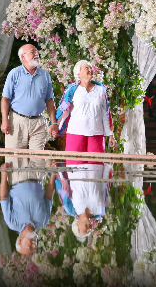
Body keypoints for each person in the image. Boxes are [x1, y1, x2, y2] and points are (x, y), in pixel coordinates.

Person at [54, 59, 116, 240]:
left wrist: (110, 134)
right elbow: (63, 109)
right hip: (75, 134)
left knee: (100, 167)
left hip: (96, 135)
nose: (89, 70)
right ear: (78, 73)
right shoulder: (71, 90)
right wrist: (55, 125)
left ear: (78, 225)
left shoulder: (101, 89)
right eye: (85, 68)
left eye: (90, 67)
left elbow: (106, 113)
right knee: (72, 167)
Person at [1, 44, 59, 149]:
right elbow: (5, 99)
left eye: (36, 51)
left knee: (38, 160)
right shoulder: (14, 73)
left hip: (38, 123)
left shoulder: (45, 75)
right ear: (23, 57)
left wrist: (53, 122)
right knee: (15, 160)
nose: (37, 54)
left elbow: (50, 100)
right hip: (17, 122)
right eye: (32, 52)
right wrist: (5, 121)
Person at [0, 162, 56, 254]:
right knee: (39, 147)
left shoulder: (12, 223)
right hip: (37, 174)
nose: (34, 245)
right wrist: (52, 175)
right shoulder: (44, 221)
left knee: (14, 147)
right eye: (34, 248)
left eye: (30, 247)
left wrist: (4, 176)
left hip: (15, 173)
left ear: (20, 240)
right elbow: (49, 196)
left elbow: (4, 197)